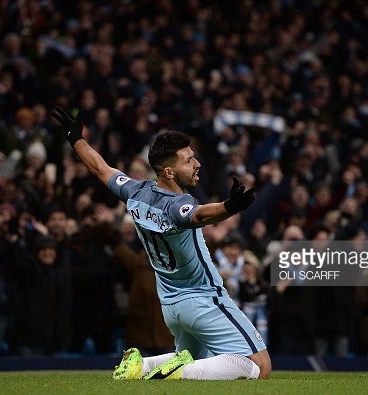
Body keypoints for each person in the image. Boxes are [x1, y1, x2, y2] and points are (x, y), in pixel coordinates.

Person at [51, 107, 271, 380]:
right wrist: (230, 206)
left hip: (171, 304)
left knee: (199, 361)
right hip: (202, 298)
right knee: (260, 367)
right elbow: (199, 214)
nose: (197, 163)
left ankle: (142, 366)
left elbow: (100, 168)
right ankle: (178, 371)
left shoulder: (135, 191)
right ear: (168, 171)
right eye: (188, 161)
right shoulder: (179, 204)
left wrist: (76, 140)